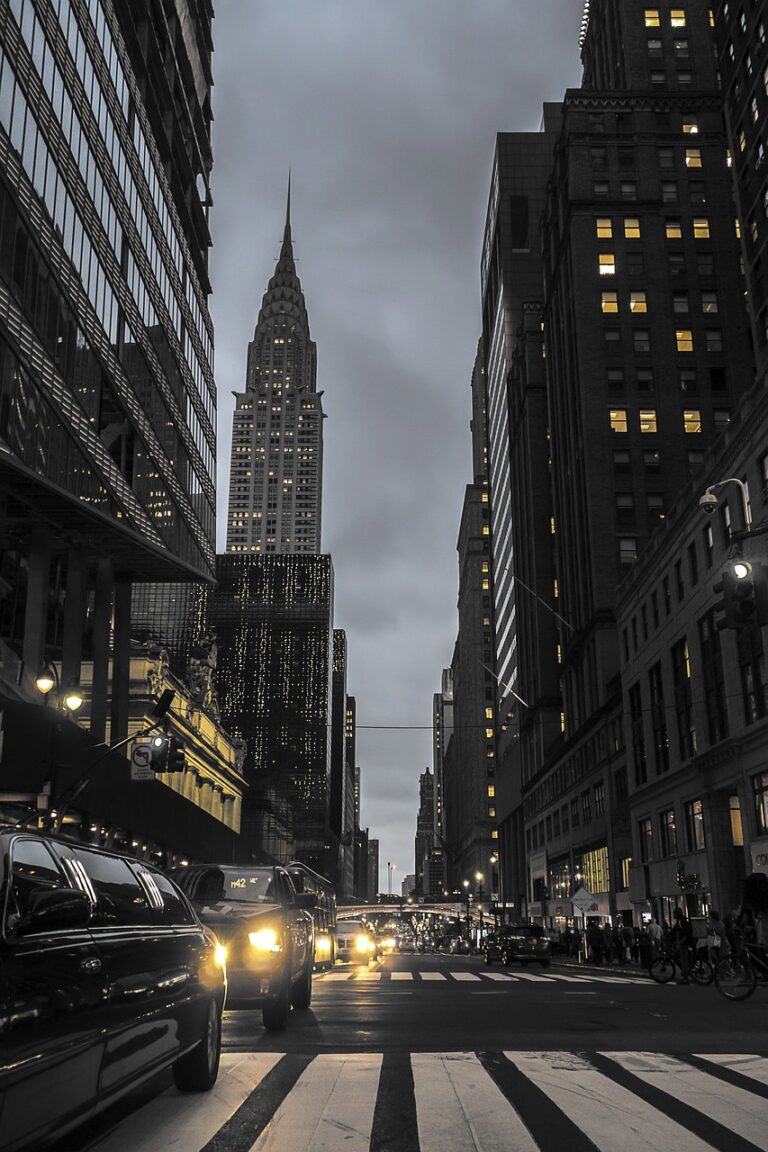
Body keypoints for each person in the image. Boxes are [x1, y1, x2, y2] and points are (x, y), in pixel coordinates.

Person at [670, 907, 694, 983]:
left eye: (674, 913)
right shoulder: (680, 920)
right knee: (677, 957)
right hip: (683, 942)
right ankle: (685, 972)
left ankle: (685, 978)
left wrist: (681, 941)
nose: (673, 915)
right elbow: (675, 931)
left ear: (677, 913)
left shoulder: (681, 921)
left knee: (684, 960)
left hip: (684, 943)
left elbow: (687, 932)